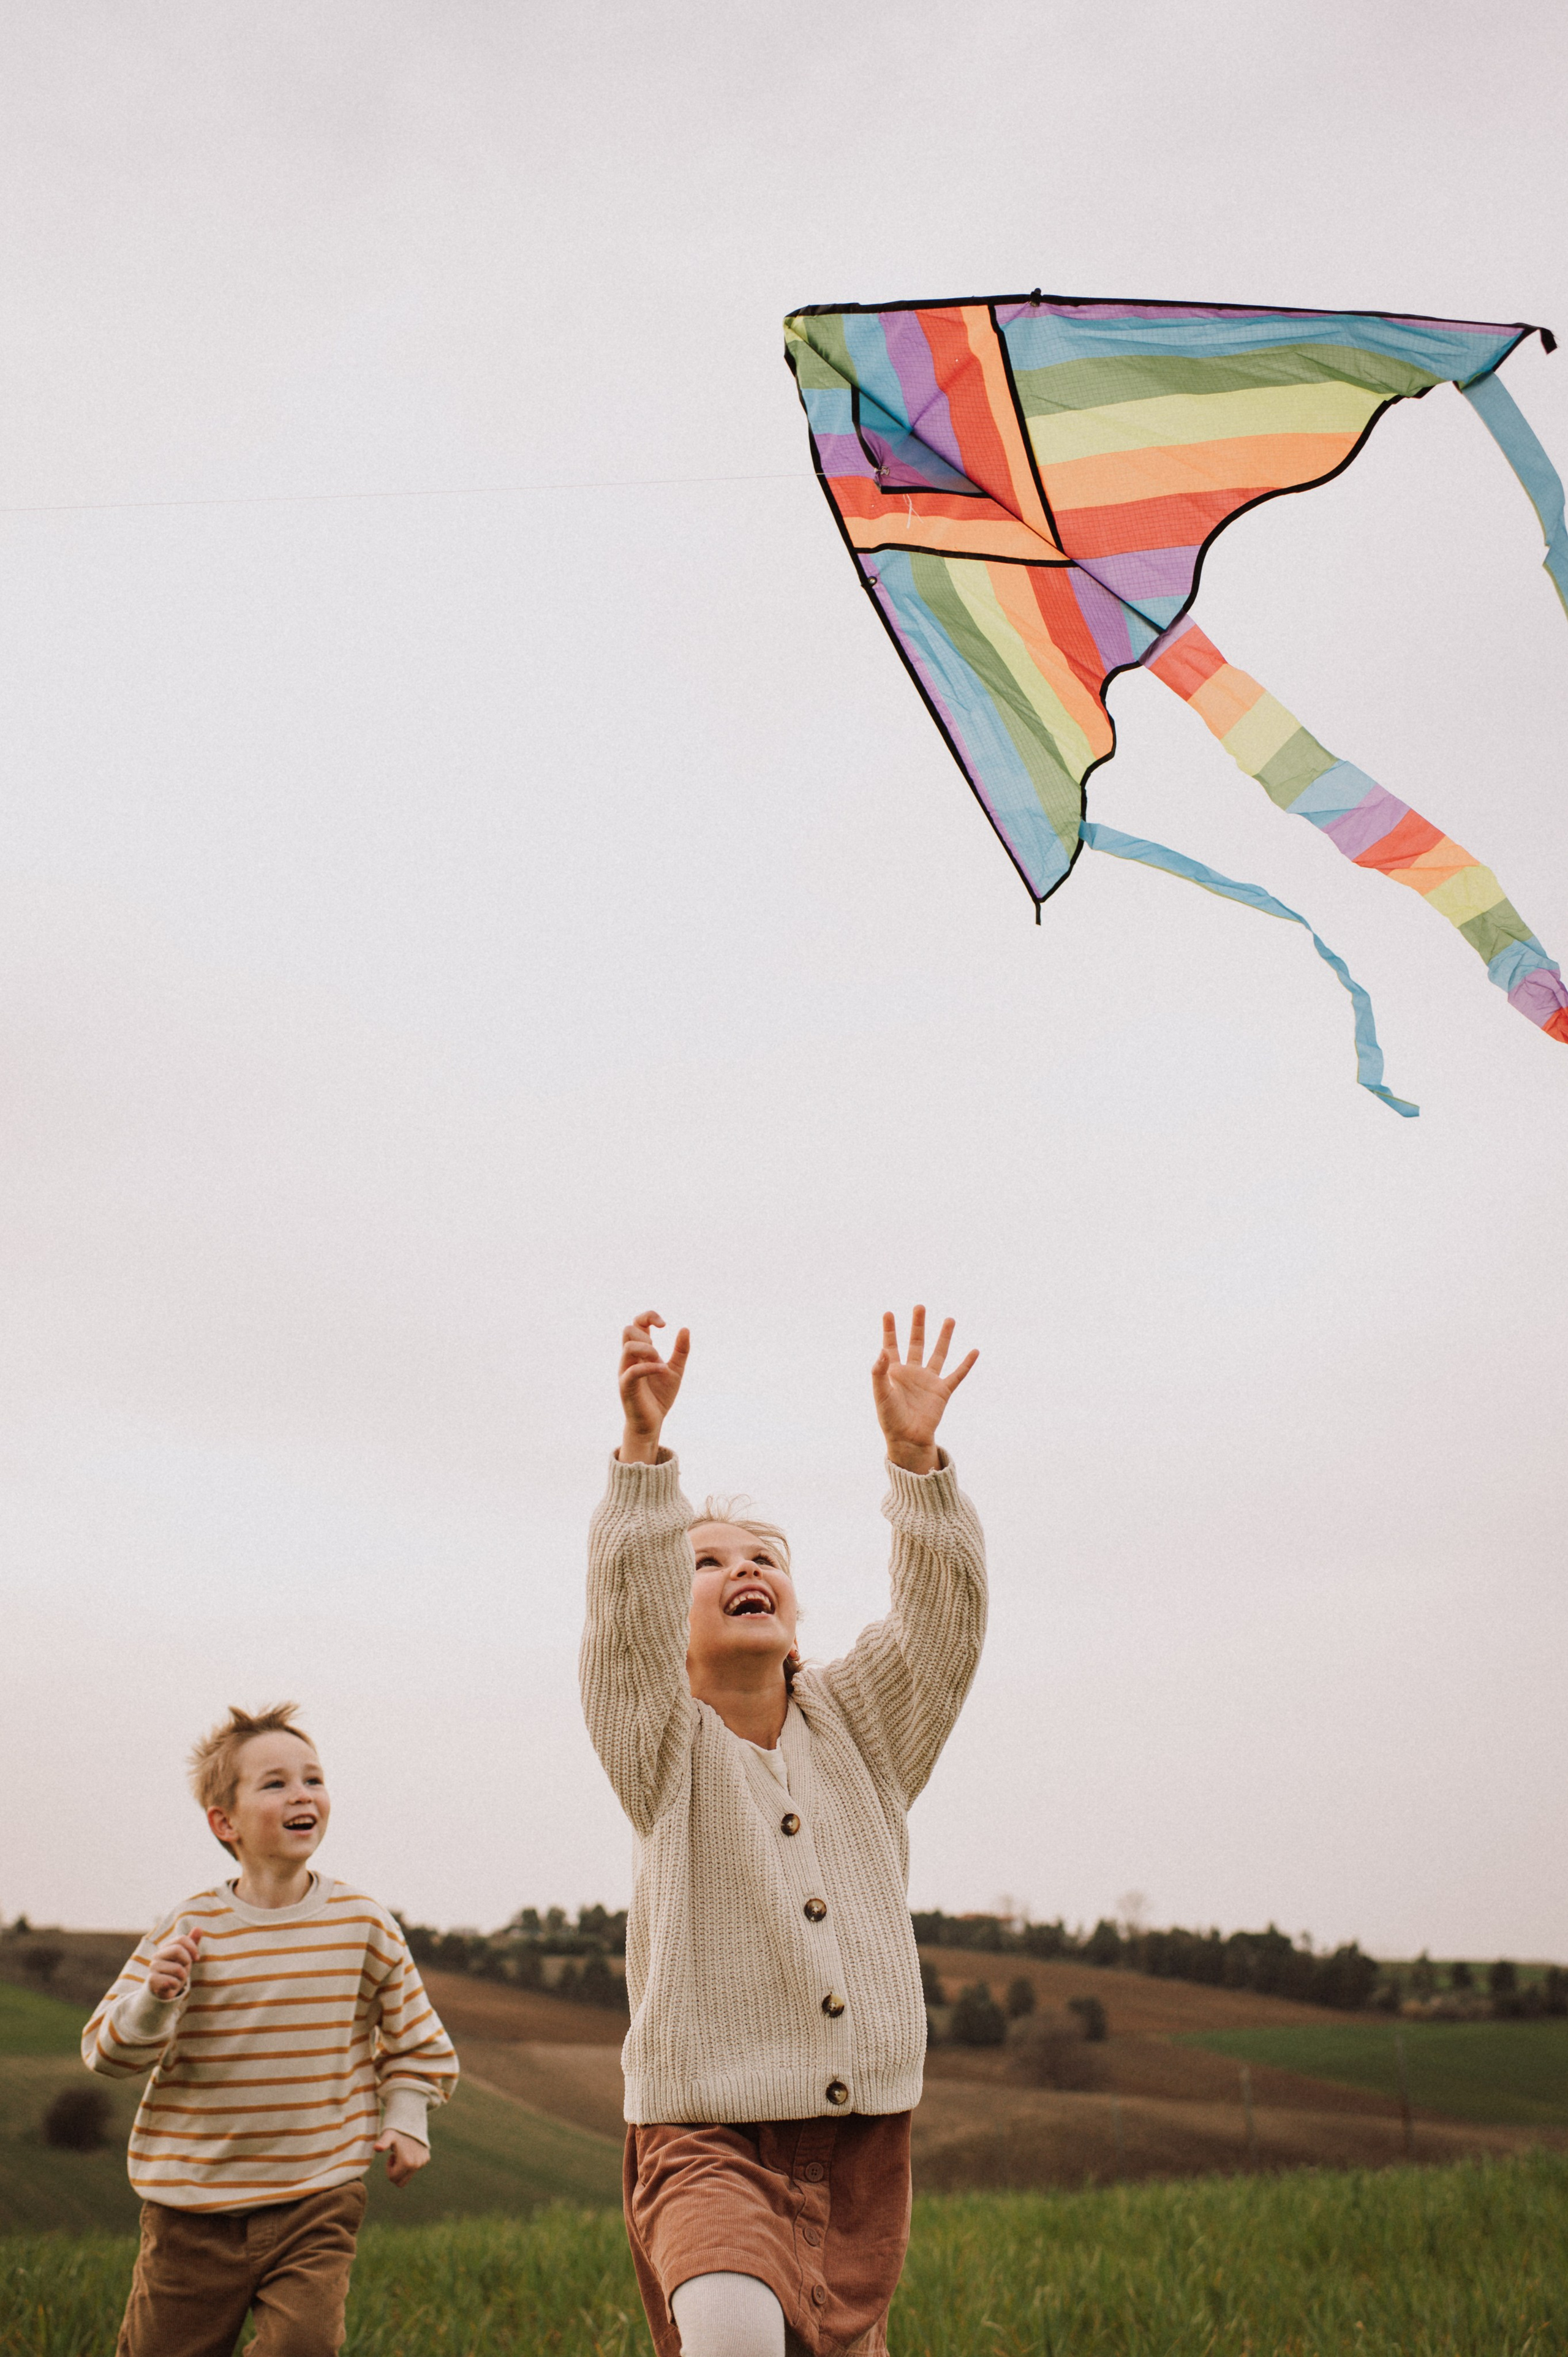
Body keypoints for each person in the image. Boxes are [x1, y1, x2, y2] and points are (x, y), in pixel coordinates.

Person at [581, 1305, 986, 2357]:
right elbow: (620, 1632)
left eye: (765, 1554)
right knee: (733, 2334)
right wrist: (641, 1460)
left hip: (862, 2150)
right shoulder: (658, 1743)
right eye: (704, 1562)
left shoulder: (865, 1724)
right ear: (670, 1619)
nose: (743, 1566)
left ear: (796, 1608)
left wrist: (916, 1461)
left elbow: (942, 1630)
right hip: (705, 2135)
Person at [82, 1702, 458, 2357]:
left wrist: (406, 2115)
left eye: (313, 1778)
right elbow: (106, 2051)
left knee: (305, 2345)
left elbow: (417, 2040)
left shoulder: (364, 1923)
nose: (302, 1793)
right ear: (224, 1821)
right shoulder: (189, 1925)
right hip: (192, 2207)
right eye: (276, 1782)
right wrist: (154, 1999)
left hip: (316, 2196)